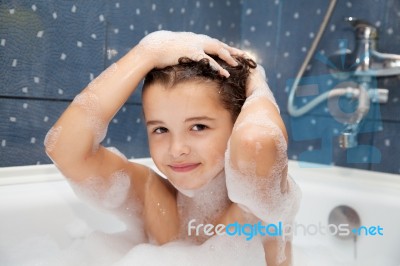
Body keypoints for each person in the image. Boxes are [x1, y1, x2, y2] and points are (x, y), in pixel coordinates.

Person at [44, 31, 300, 266]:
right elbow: (64, 148)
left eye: (198, 127)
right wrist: (148, 52)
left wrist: (256, 86)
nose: (177, 149)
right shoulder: (150, 197)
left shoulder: (259, 198)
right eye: (160, 129)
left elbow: (256, 140)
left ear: (238, 123)